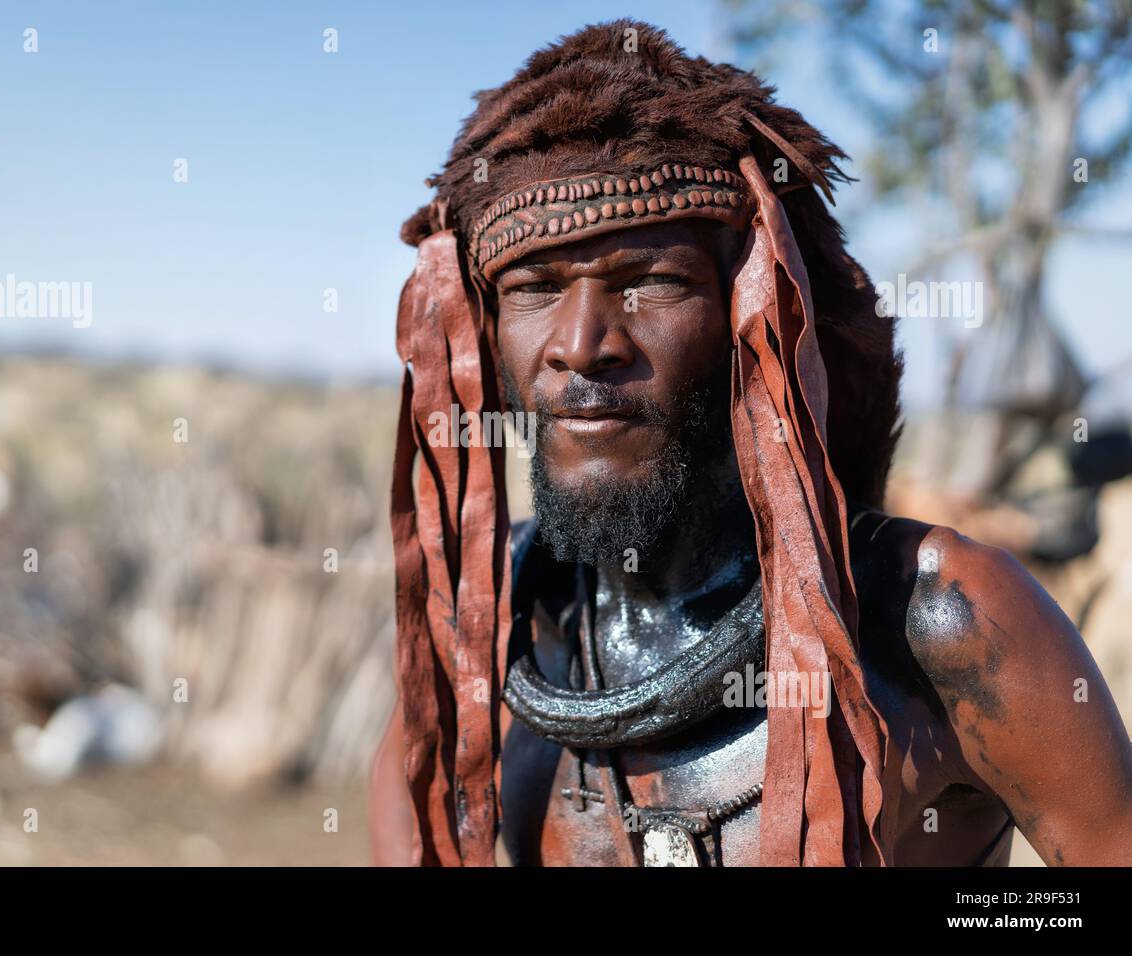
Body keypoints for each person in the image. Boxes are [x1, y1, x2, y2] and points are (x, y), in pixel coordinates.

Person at [368, 20, 1132, 866]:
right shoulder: (486, 627)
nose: (583, 342)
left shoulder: (935, 621)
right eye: (535, 288)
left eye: (653, 280)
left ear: (754, 319)